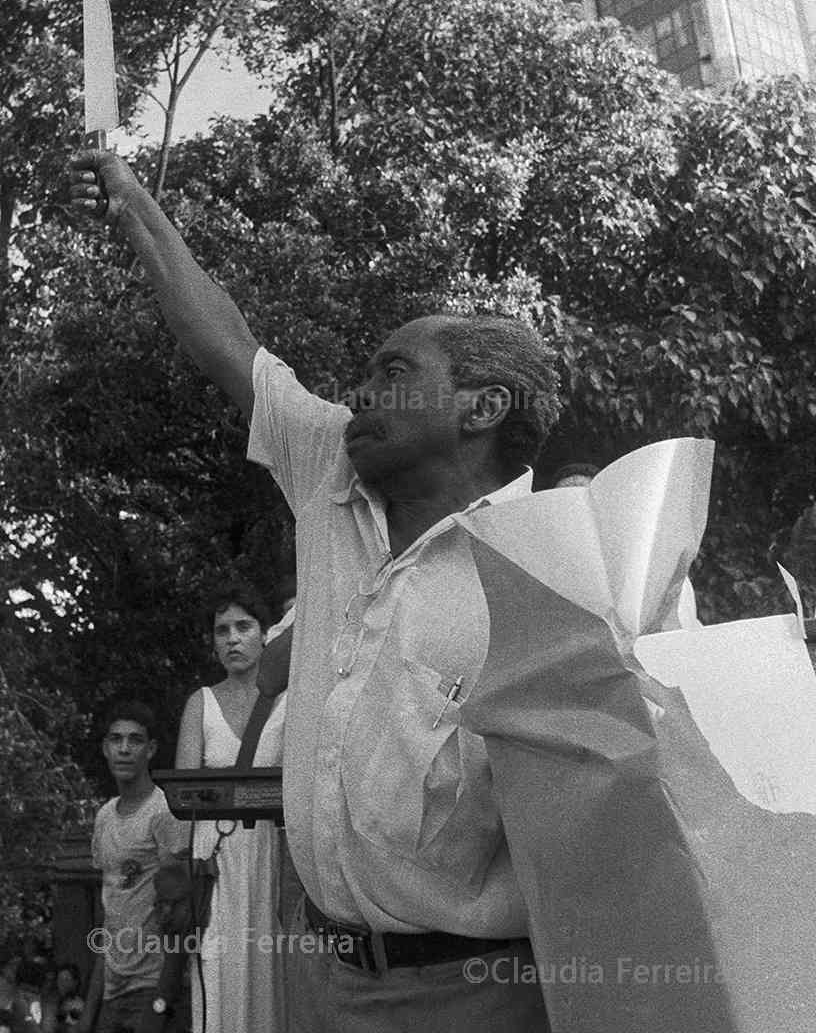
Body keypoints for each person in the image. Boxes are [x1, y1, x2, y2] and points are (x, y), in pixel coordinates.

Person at [69, 153, 561, 1032]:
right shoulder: (329, 465)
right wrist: (134, 205)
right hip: (326, 978)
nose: (362, 391)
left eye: (396, 371)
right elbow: (230, 345)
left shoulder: (554, 573)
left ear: (481, 408)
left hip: (484, 996)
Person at [174, 584, 287, 1033]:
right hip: (214, 860)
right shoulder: (199, 703)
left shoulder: (290, 701)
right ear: (213, 642)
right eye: (222, 630)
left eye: (244, 626)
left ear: (265, 636)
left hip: (275, 854)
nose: (233, 638)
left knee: (275, 964)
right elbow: (180, 802)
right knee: (217, 967)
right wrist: (186, 877)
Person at [77, 701, 188, 1033]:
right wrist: (88, 1013)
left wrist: (162, 999)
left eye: (135, 740)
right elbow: (109, 918)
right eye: (116, 739)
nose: (124, 749)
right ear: (105, 748)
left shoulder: (163, 813)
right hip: (112, 990)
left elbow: (181, 916)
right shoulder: (104, 817)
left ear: (151, 749)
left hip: (152, 987)